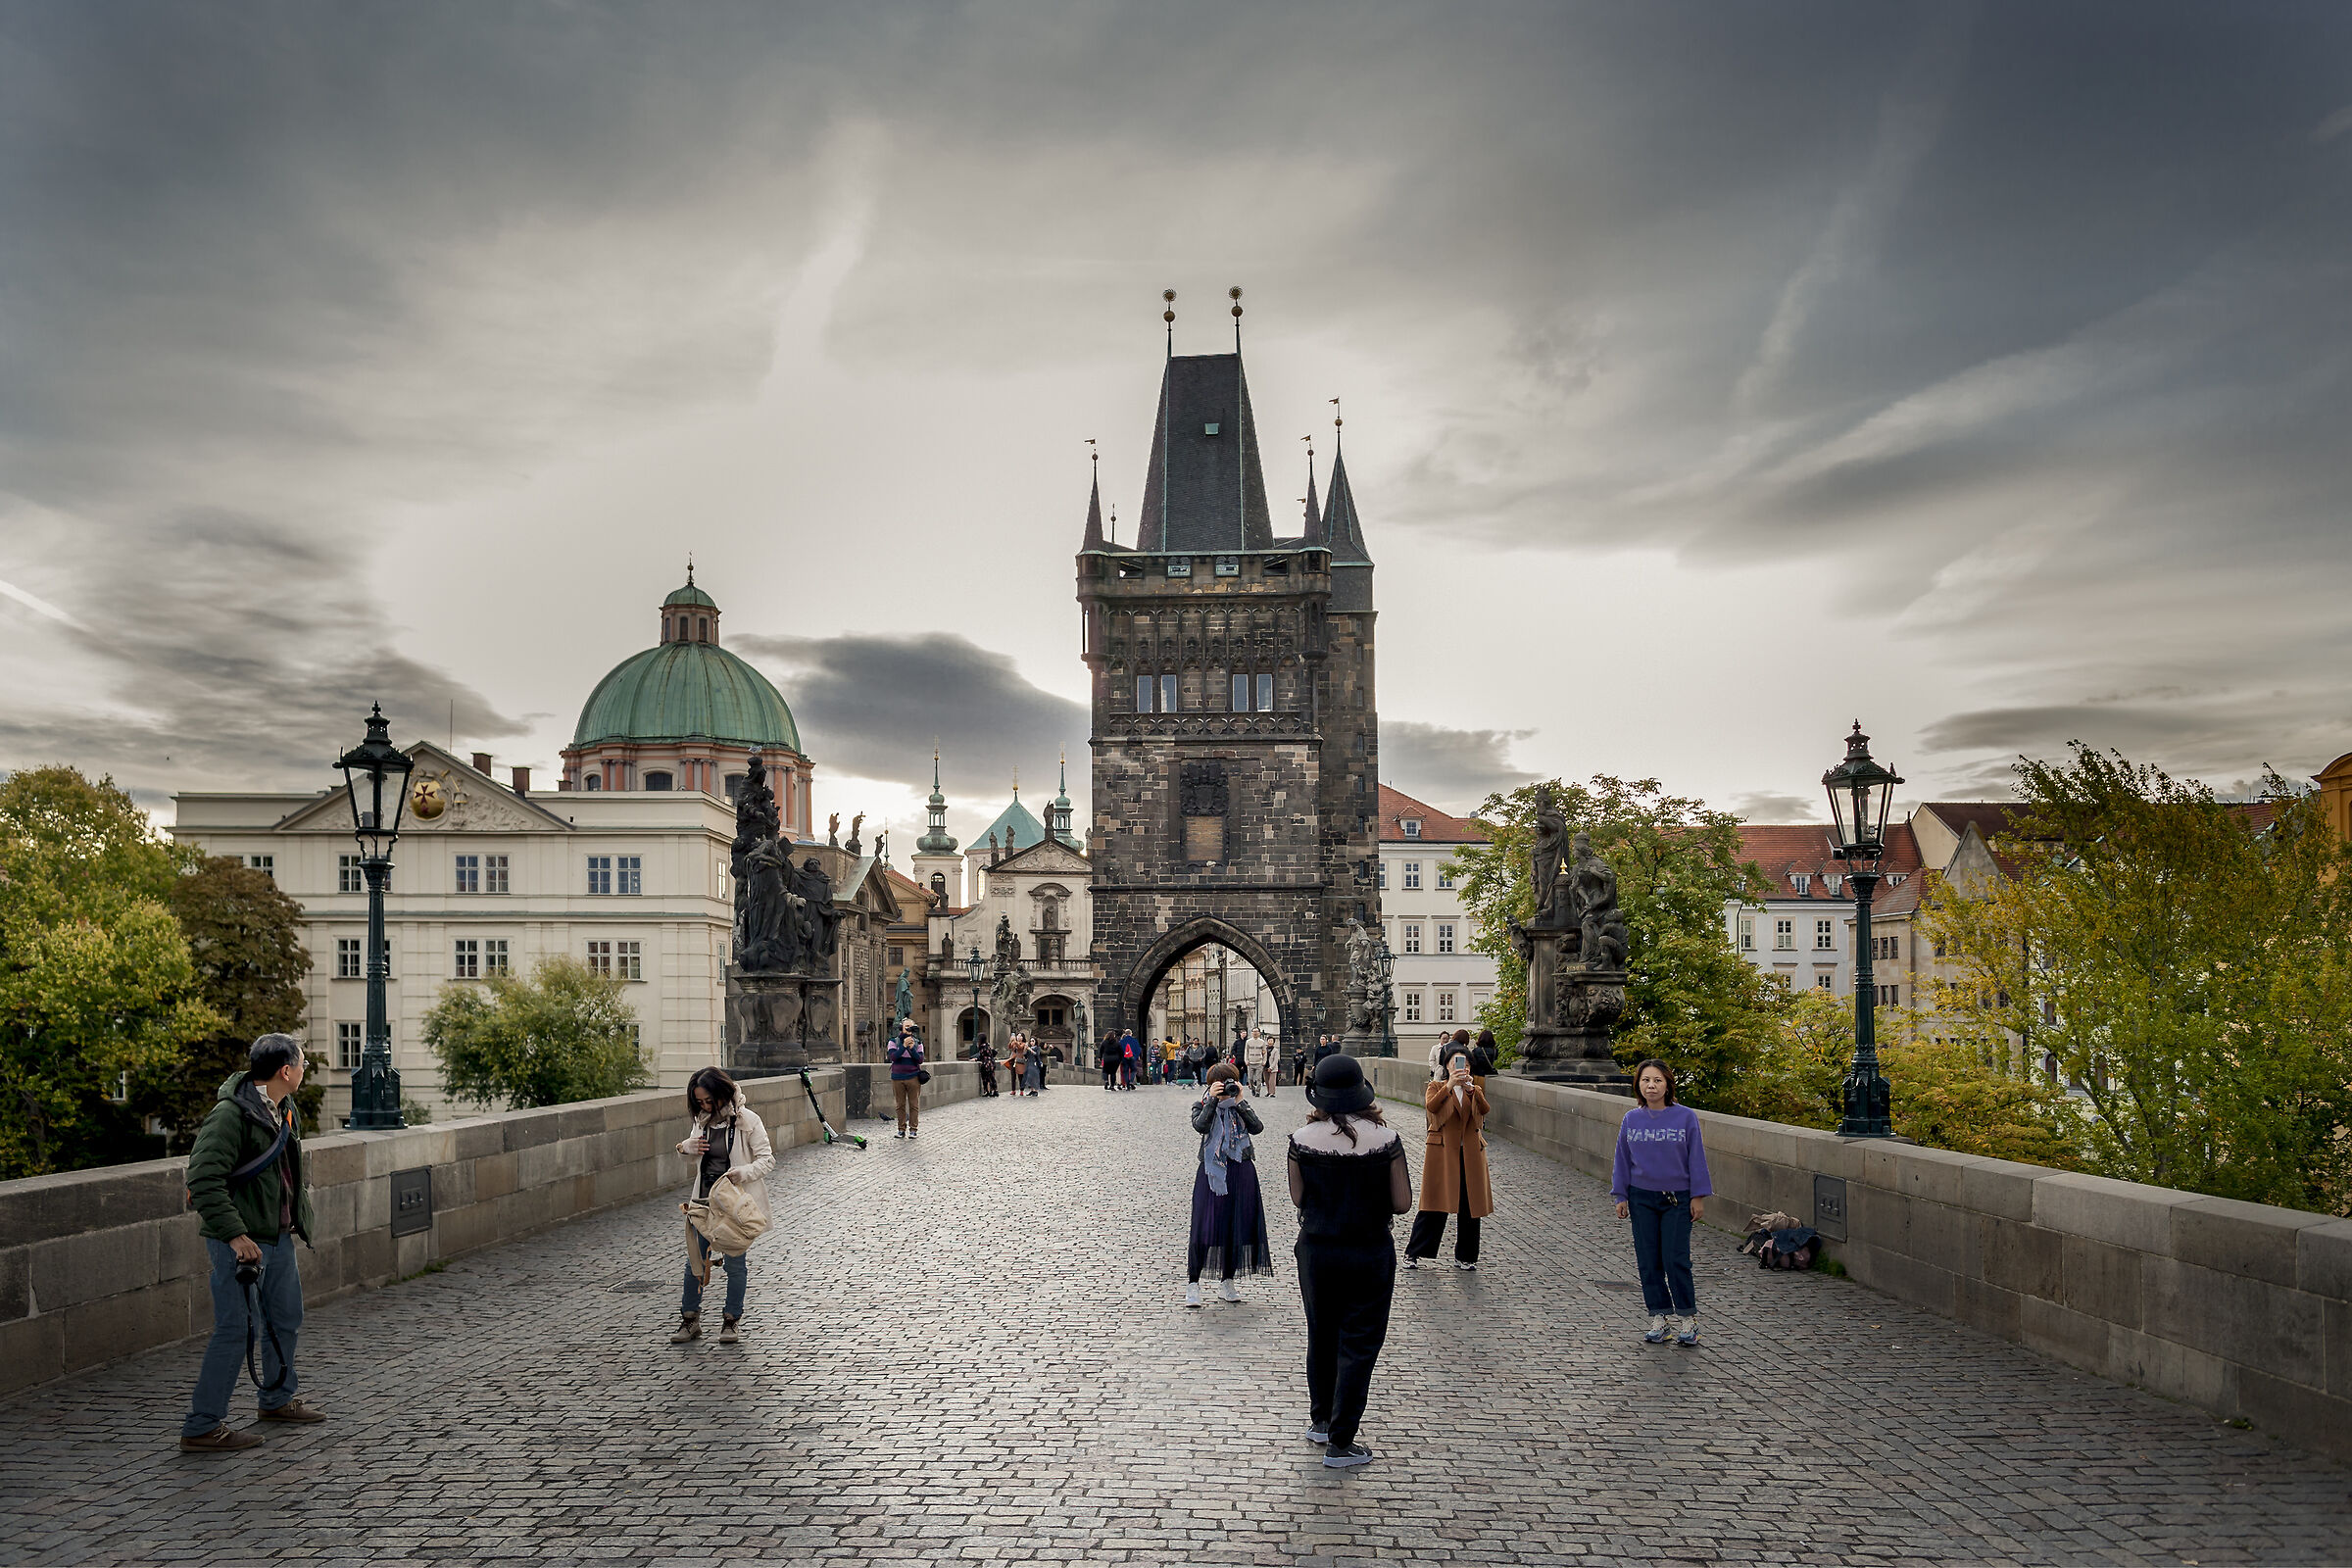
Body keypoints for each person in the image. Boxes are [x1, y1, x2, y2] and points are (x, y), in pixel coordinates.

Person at [179, 1033, 322, 1450]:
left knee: (285, 1319)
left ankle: (276, 1400)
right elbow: (202, 1180)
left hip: (277, 1236)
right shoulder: (230, 1115)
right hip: (240, 1244)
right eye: (302, 1064)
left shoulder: (285, 1108)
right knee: (236, 1329)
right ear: (285, 1071)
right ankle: (202, 1425)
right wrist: (235, 1235)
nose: (304, 1070)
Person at [1288, 1053, 1412, 1470]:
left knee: (1321, 1333)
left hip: (1317, 1249)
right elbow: (1402, 1203)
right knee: (1359, 1342)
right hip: (1368, 1249)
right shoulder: (1386, 1139)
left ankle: (1321, 1421)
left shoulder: (1301, 1139)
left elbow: (1299, 1198)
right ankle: (1341, 1442)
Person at [669, 1067, 775, 1345]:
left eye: (708, 1100)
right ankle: (690, 1320)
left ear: (722, 1093)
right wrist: (685, 1148)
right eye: (699, 1102)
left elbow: (767, 1160)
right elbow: (690, 1159)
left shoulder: (748, 1120)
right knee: (694, 1263)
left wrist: (743, 1173)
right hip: (703, 1202)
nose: (705, 1106)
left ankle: (731, 1321)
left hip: (733, 1207)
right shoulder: (701, 1121)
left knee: (735, 1264)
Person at [1612, 1058, 1712, 1348]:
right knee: (1648, 1259)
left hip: (1676, 1199)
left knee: (1675, 1258)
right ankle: (1659, 1317)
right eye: (1645, 1080)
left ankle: (1688, 1318)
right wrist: (1621, 1195)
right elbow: (1622, 1159)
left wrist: (1697, 1197)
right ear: (1638, 1085)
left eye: (1657, 1080)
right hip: (1641, 1197)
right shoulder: (1631, 1119)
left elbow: (1696, 1158)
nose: (1651, 1086)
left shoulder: (1685, 1117)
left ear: (1668, 1085)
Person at [1186, 1062, 1271, 1307]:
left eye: (1229, 1082)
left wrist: (1240, 1102)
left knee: (1236, 1222)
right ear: (1210, 1084)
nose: (1225, 1087)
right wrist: (1212, 1101)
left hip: (1241, 1169)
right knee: (1205, 1224)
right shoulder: (1201, 1104)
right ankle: (1193, 1284)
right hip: (1212, 1171)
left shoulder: (1240, 1106)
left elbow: (1257, 1128)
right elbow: (1200, 1126)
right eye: (1220, 1083)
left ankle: (1227, 1281)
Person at [1404, 1038, 1493, 1272]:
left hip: (1470, 1153)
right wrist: (1450, 1085)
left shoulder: (1474, 1089)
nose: (1462, 1068)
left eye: (1465, 1064)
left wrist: (1472, 1091)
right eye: (1456, 1063)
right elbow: (1432, 1107)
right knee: (1435, 1203)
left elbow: (1485, 1110)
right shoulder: (1436, 1087)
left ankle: (1466, 1256)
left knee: (1470, 1205)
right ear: (1447, 1066)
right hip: (1443, 1152)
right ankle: (1414, 1252)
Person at [885, 1026, 926, 1138]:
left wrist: (912, 1049)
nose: (908, 1030)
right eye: (906, 1027)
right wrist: (903, 1046)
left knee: (914, 1105)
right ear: (901, 1028)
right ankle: (901, 1129)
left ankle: (913, 1130)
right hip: (897, 1077)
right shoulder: (893, 1042)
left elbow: (920, 1060)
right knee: (900, 1105)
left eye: (910, 1028)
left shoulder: (918, 1043)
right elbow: (893, 1057)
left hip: (913, 1077)